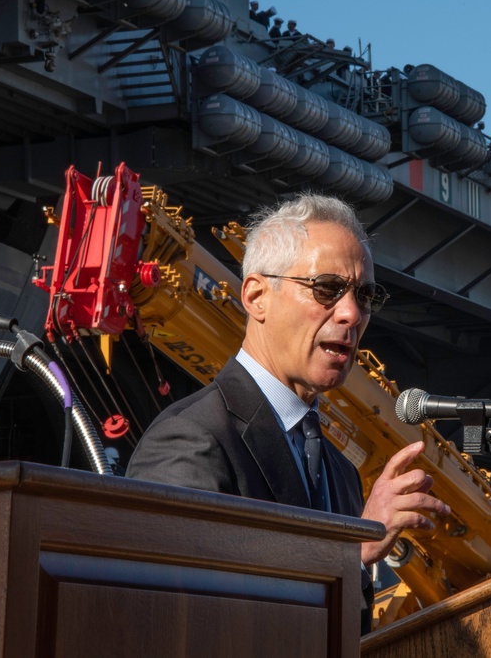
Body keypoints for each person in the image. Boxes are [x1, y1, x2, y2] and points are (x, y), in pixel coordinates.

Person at [126, 193, 450, 631]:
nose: (353, 313)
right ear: (257, 296)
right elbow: (176, 616)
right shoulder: (191, 439)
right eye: (327, 289)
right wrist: (350, 554)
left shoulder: (341, 472)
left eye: (365, 295)